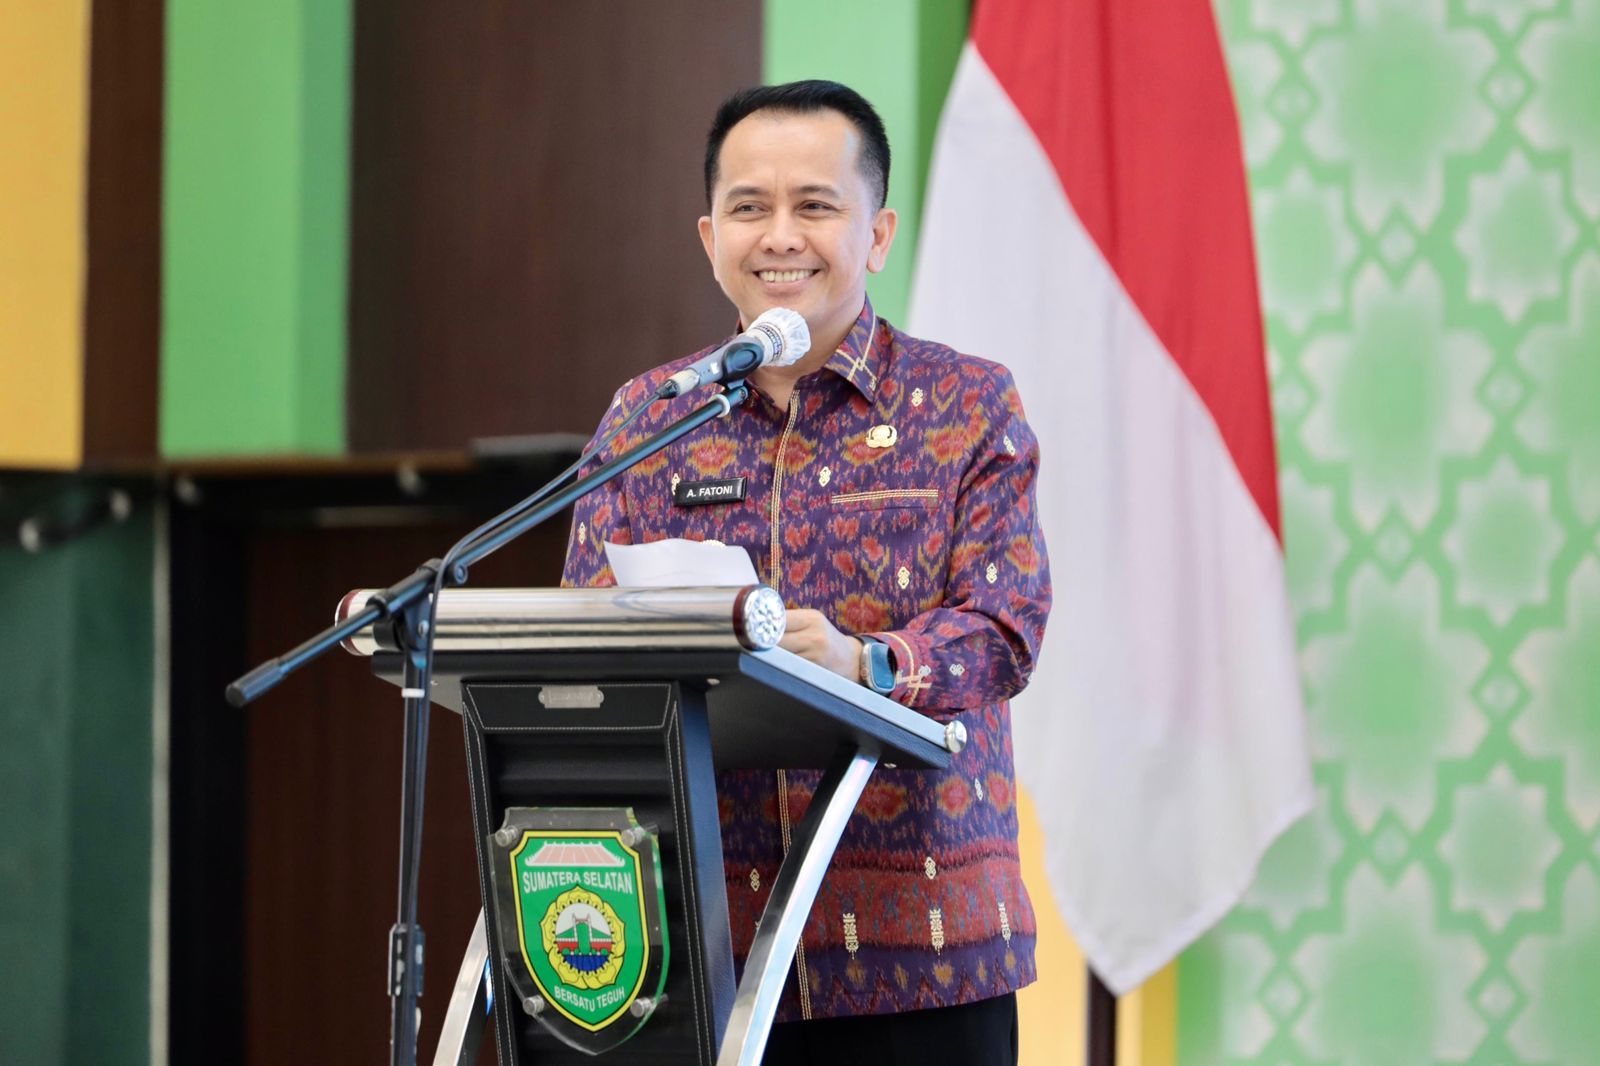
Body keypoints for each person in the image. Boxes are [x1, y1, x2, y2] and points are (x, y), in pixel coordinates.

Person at [561, 80, 1051, 1066]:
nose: (780, 236)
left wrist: (866, 664)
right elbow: (586, 637)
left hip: (925, 966)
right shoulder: (647, 419)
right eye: (750, 207)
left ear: (877, 235)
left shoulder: (966, 402)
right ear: (711, 239)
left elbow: (1005, 627)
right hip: (706, 959)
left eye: (815, 206)